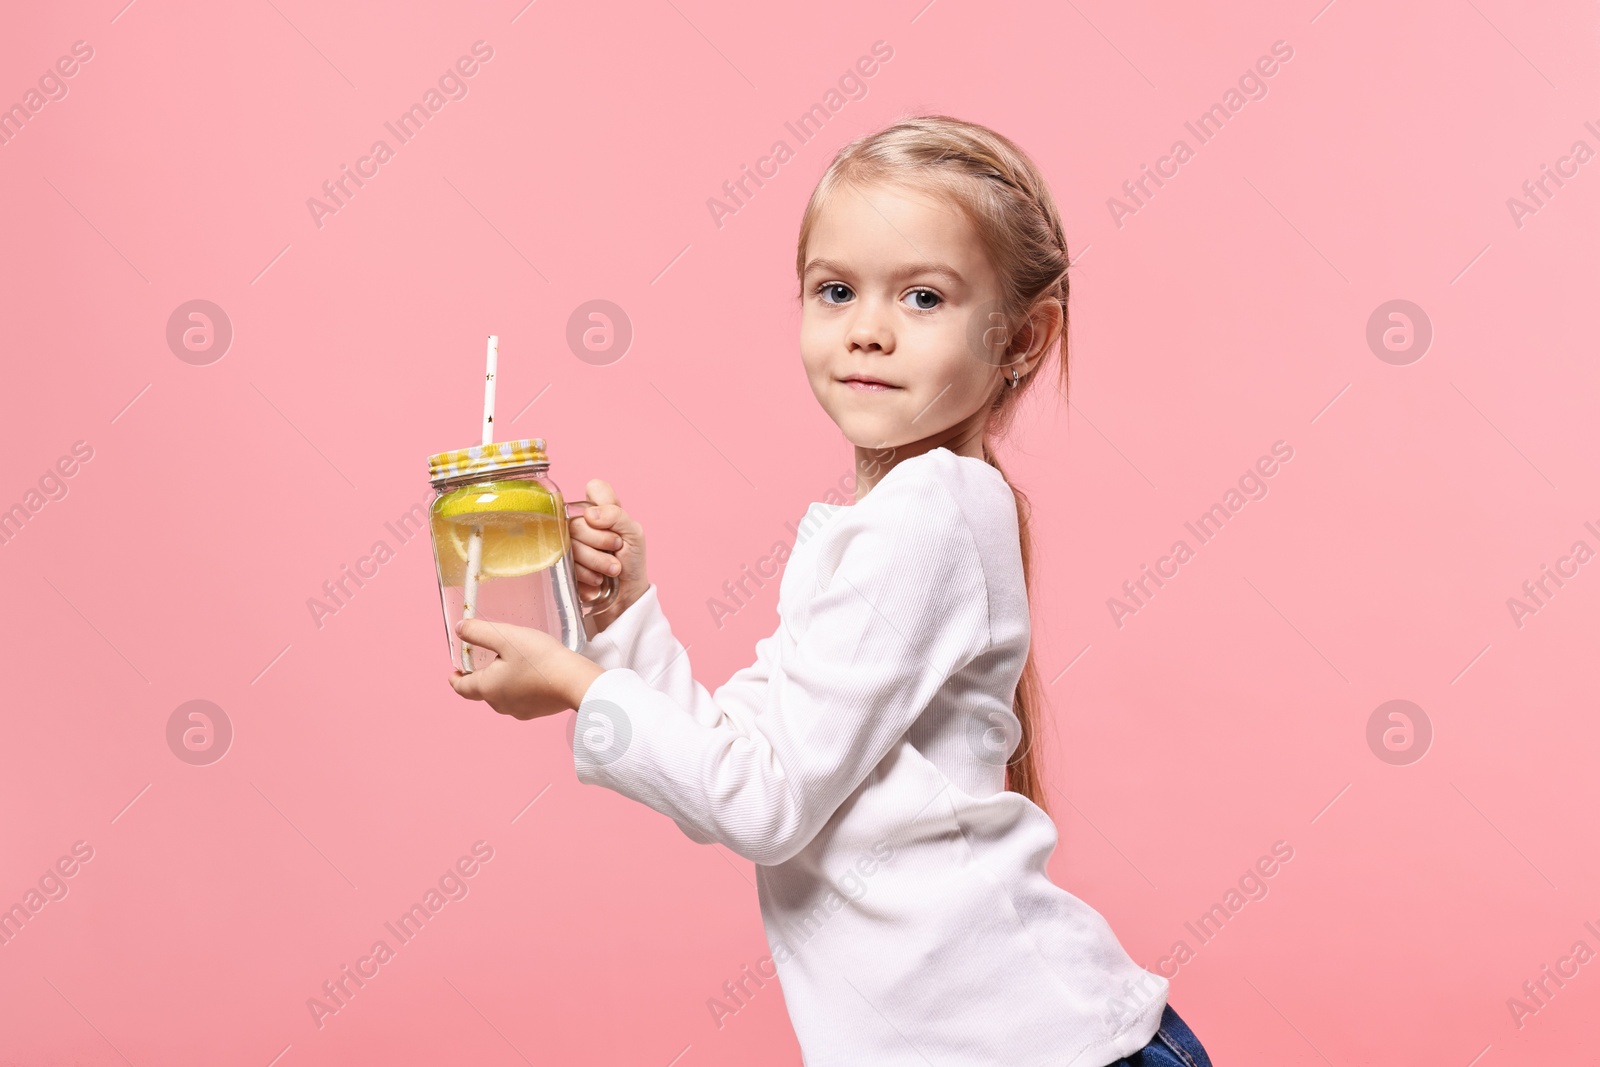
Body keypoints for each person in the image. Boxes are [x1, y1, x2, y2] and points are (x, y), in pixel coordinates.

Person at [447, 114, 1214, 1067]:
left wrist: (575, 681)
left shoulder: (929, 513)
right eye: (836, 289)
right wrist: (625, 620)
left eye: (924, 296)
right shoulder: (880, 528)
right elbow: (740, 767)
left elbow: (762, 806)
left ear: (1023, 335)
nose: (868, 330)